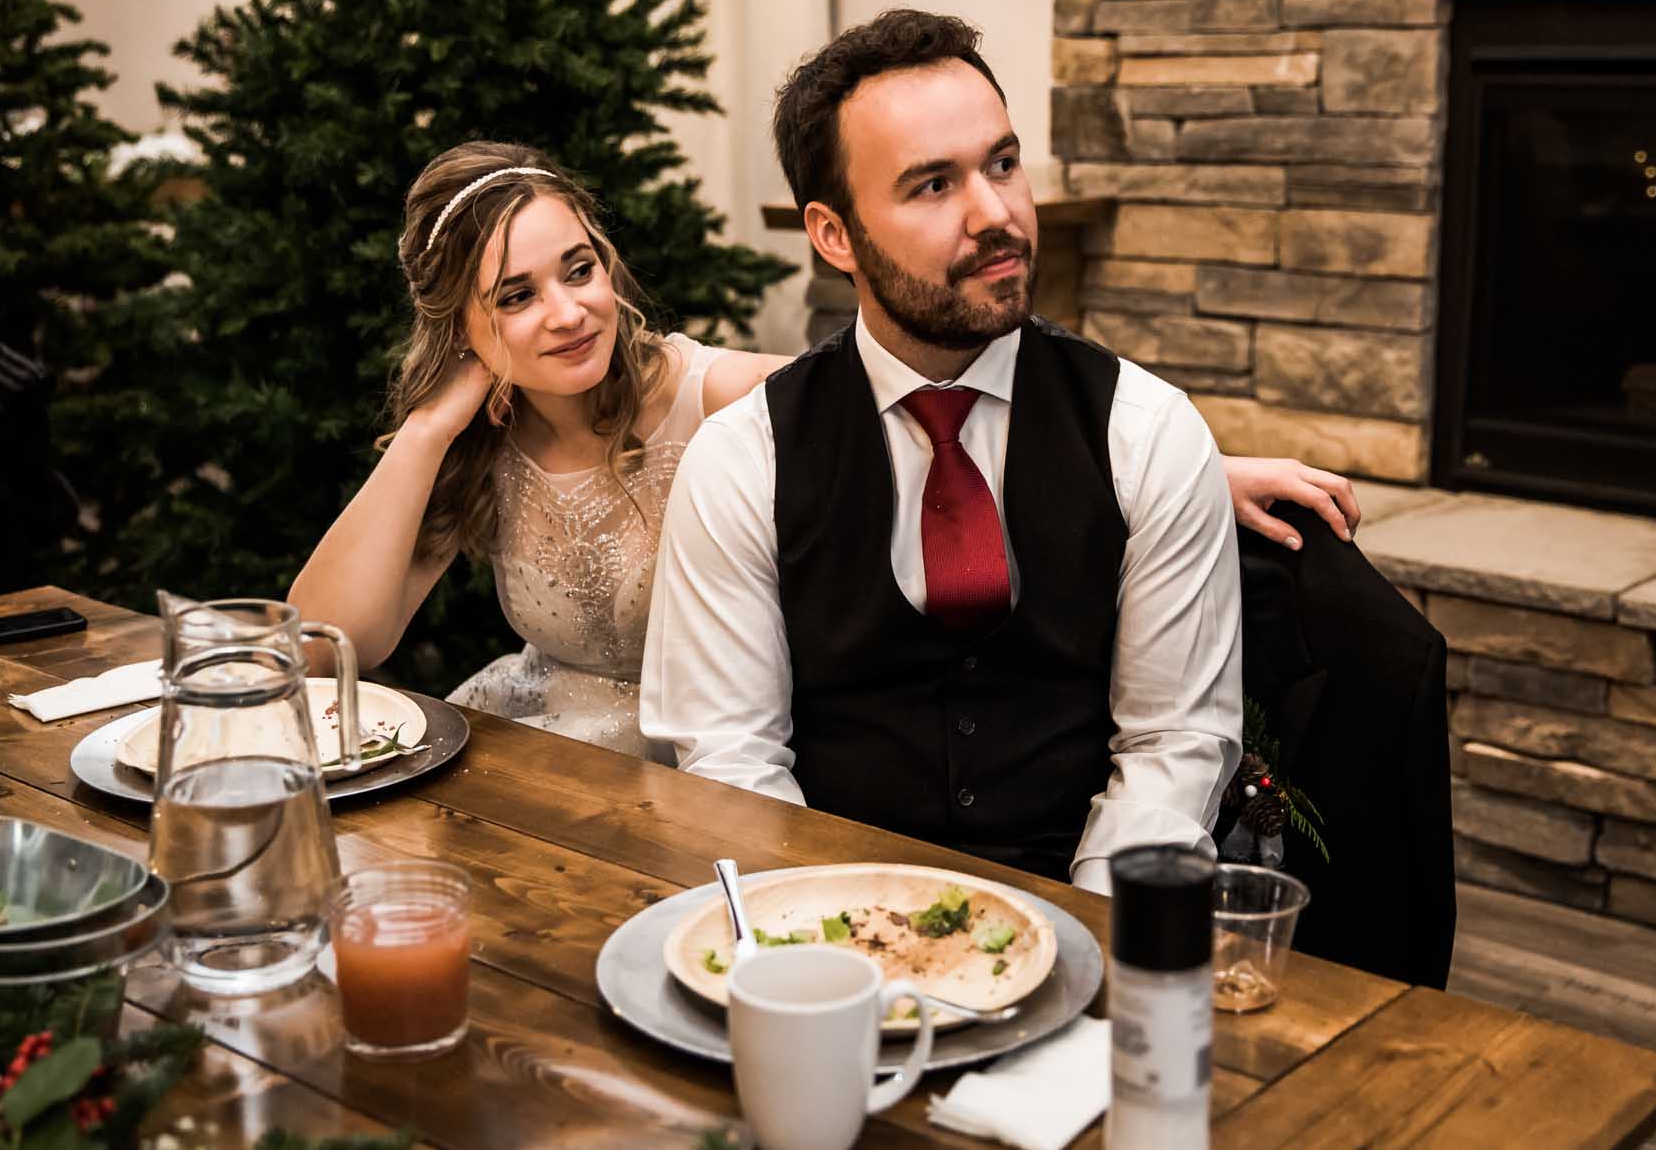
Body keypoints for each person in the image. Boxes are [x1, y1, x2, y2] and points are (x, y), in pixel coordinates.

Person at [292, 137, 1358, 763]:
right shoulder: (471, 455)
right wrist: (432, 425)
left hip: (718, 765)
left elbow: (933, 402)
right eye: (514, 297)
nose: (569, 312)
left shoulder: (705, 393)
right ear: (459, 325)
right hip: (543, 754)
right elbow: (328, 643)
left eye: (578, 268)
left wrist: (1182, 467)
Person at [641, 10, 1293, 891]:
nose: (997, 214)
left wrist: (1083, 937)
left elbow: (1173, 746)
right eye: (933, 185)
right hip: (828, 922)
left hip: (1082, 909)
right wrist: (828, 945)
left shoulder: (1149, 431)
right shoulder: (742, 461)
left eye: (1002, 163)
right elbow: (731, 763)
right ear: (835, 235)